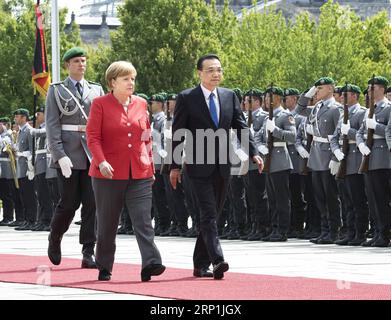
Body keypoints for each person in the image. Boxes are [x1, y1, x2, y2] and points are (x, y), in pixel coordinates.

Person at [169, 54, 263, 279]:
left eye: (219, 70)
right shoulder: (187, 97)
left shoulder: (229, 96)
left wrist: (253, 153)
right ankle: (217, 260)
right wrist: (174, 166)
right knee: (208, 214)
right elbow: (178, 134)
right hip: (197, 164)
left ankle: (199, 264)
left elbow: (240, 127)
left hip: (222, 164)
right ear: (199, 73)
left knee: (212, 216)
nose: (216, 74)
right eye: (210, 70)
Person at [87, 61, 165, 282]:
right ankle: (104, 265)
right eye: (125, 79)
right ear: (112, 82)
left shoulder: (141, 103)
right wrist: (101, 161)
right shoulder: (100, 104)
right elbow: (93, 137)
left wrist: (150, 168)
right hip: (107, 175)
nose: (131, 82)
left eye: (132, 78)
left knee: (143, 220)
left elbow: (146, 138)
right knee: (108, 223)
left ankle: (151, 262)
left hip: (138, 173)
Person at [46, 47, 105, 268]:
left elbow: (100, 124)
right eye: (77, 61)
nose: (82, 64)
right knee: (69, 203)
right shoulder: (57, 90)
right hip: (69, 155)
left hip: (91, 155)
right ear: (67, 65)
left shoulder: (96, 90)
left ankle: (88, 250)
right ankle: (55, 236)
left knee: (92, 203)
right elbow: (52, 125)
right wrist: (59, 155)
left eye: (84, 60)